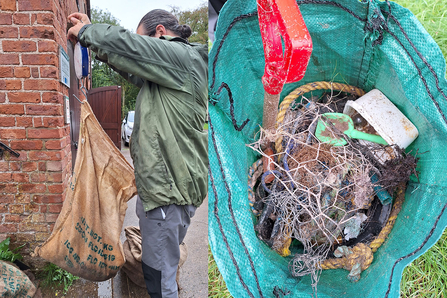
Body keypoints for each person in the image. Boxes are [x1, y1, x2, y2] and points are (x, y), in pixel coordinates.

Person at [67, 9, 208, 298]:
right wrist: (97, 48)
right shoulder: (170, 73)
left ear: (159, 33)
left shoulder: (182, 56)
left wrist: (87, 33)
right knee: (159, 268)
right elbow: (132, 65)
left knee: (159, 279)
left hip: (168, 193)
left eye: (143, 39)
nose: (141, 47)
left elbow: (131, 49)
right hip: (167, 191)